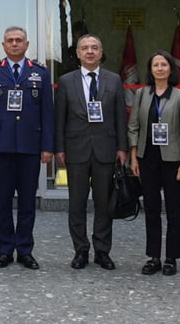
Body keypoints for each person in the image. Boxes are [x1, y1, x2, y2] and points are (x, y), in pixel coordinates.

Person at [0, 26, 54, 270]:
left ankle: (24, 250)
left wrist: (47, 147)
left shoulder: (40, 73)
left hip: (31, 147)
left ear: (27, 44)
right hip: (1, 147)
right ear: (3, 45)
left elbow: (47, 114)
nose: (14, 44)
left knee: (27, 202)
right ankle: (4, 250)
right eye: (10, 40)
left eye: (18, 40)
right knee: (2, 201)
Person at [54, 34, 126, 270]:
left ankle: (102, 251)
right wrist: (60, 148)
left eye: (95, 47)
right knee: (77, 203)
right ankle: (81, 250)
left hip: (106, 149)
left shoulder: (114, 80)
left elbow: (119, 118)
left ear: (101, 51)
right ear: (77, 53)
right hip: (75, 150)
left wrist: (122, 148)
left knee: (103, 203)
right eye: (85, 48)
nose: (90, 52)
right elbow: (60, 118)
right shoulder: (66, 81)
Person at [128, 50, 180, 276]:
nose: (159, 68)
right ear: (151, 69)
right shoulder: (141, 95)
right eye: (155, 65)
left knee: (173, 210)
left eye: (163, 65)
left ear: (170, 69)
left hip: (173, 159)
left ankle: (171, 258)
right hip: (147, 159)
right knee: (152, 209)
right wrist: (134, 155)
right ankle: (154, 256)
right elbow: (134, 126)